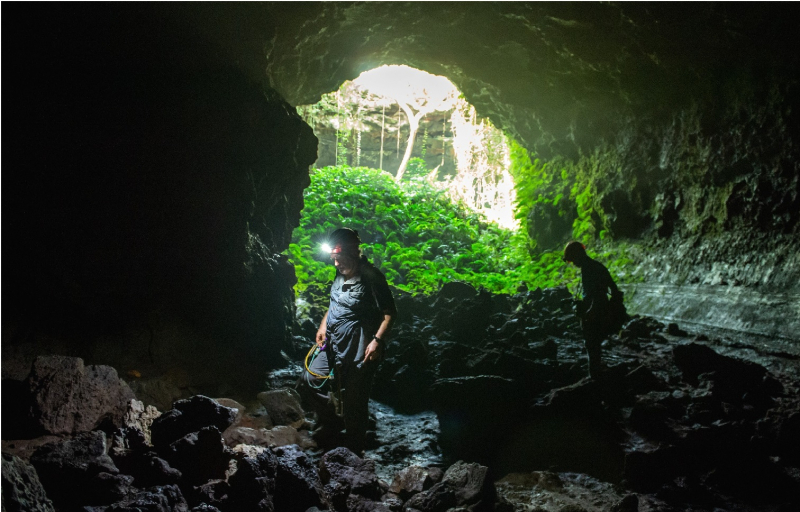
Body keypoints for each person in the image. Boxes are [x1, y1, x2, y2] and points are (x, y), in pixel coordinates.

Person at [298, 227, 397, 453]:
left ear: (353, 253)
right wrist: (323, 326)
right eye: (333, 259)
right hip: (332, 341)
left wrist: (377, 342)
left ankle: (354, 449)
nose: (335, 264)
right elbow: (334, 302)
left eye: (339, 259)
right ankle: (331, 422)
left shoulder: (372, 277)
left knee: (355, 399)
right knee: (310, 379)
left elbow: (390, 313)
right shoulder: (340, 271)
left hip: (359, 347)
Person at [563, 241, 626, 379]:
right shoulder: (596, 266)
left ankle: (595, 377)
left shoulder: (589, 269)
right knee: (594, 345)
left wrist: (589, 313)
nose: (573, 263)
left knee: (592, 345)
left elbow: (596, 295)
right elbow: (613, 288)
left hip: (596, 312)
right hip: (601, 310)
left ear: (577, 255)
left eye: (572, 260)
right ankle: (596, 375)